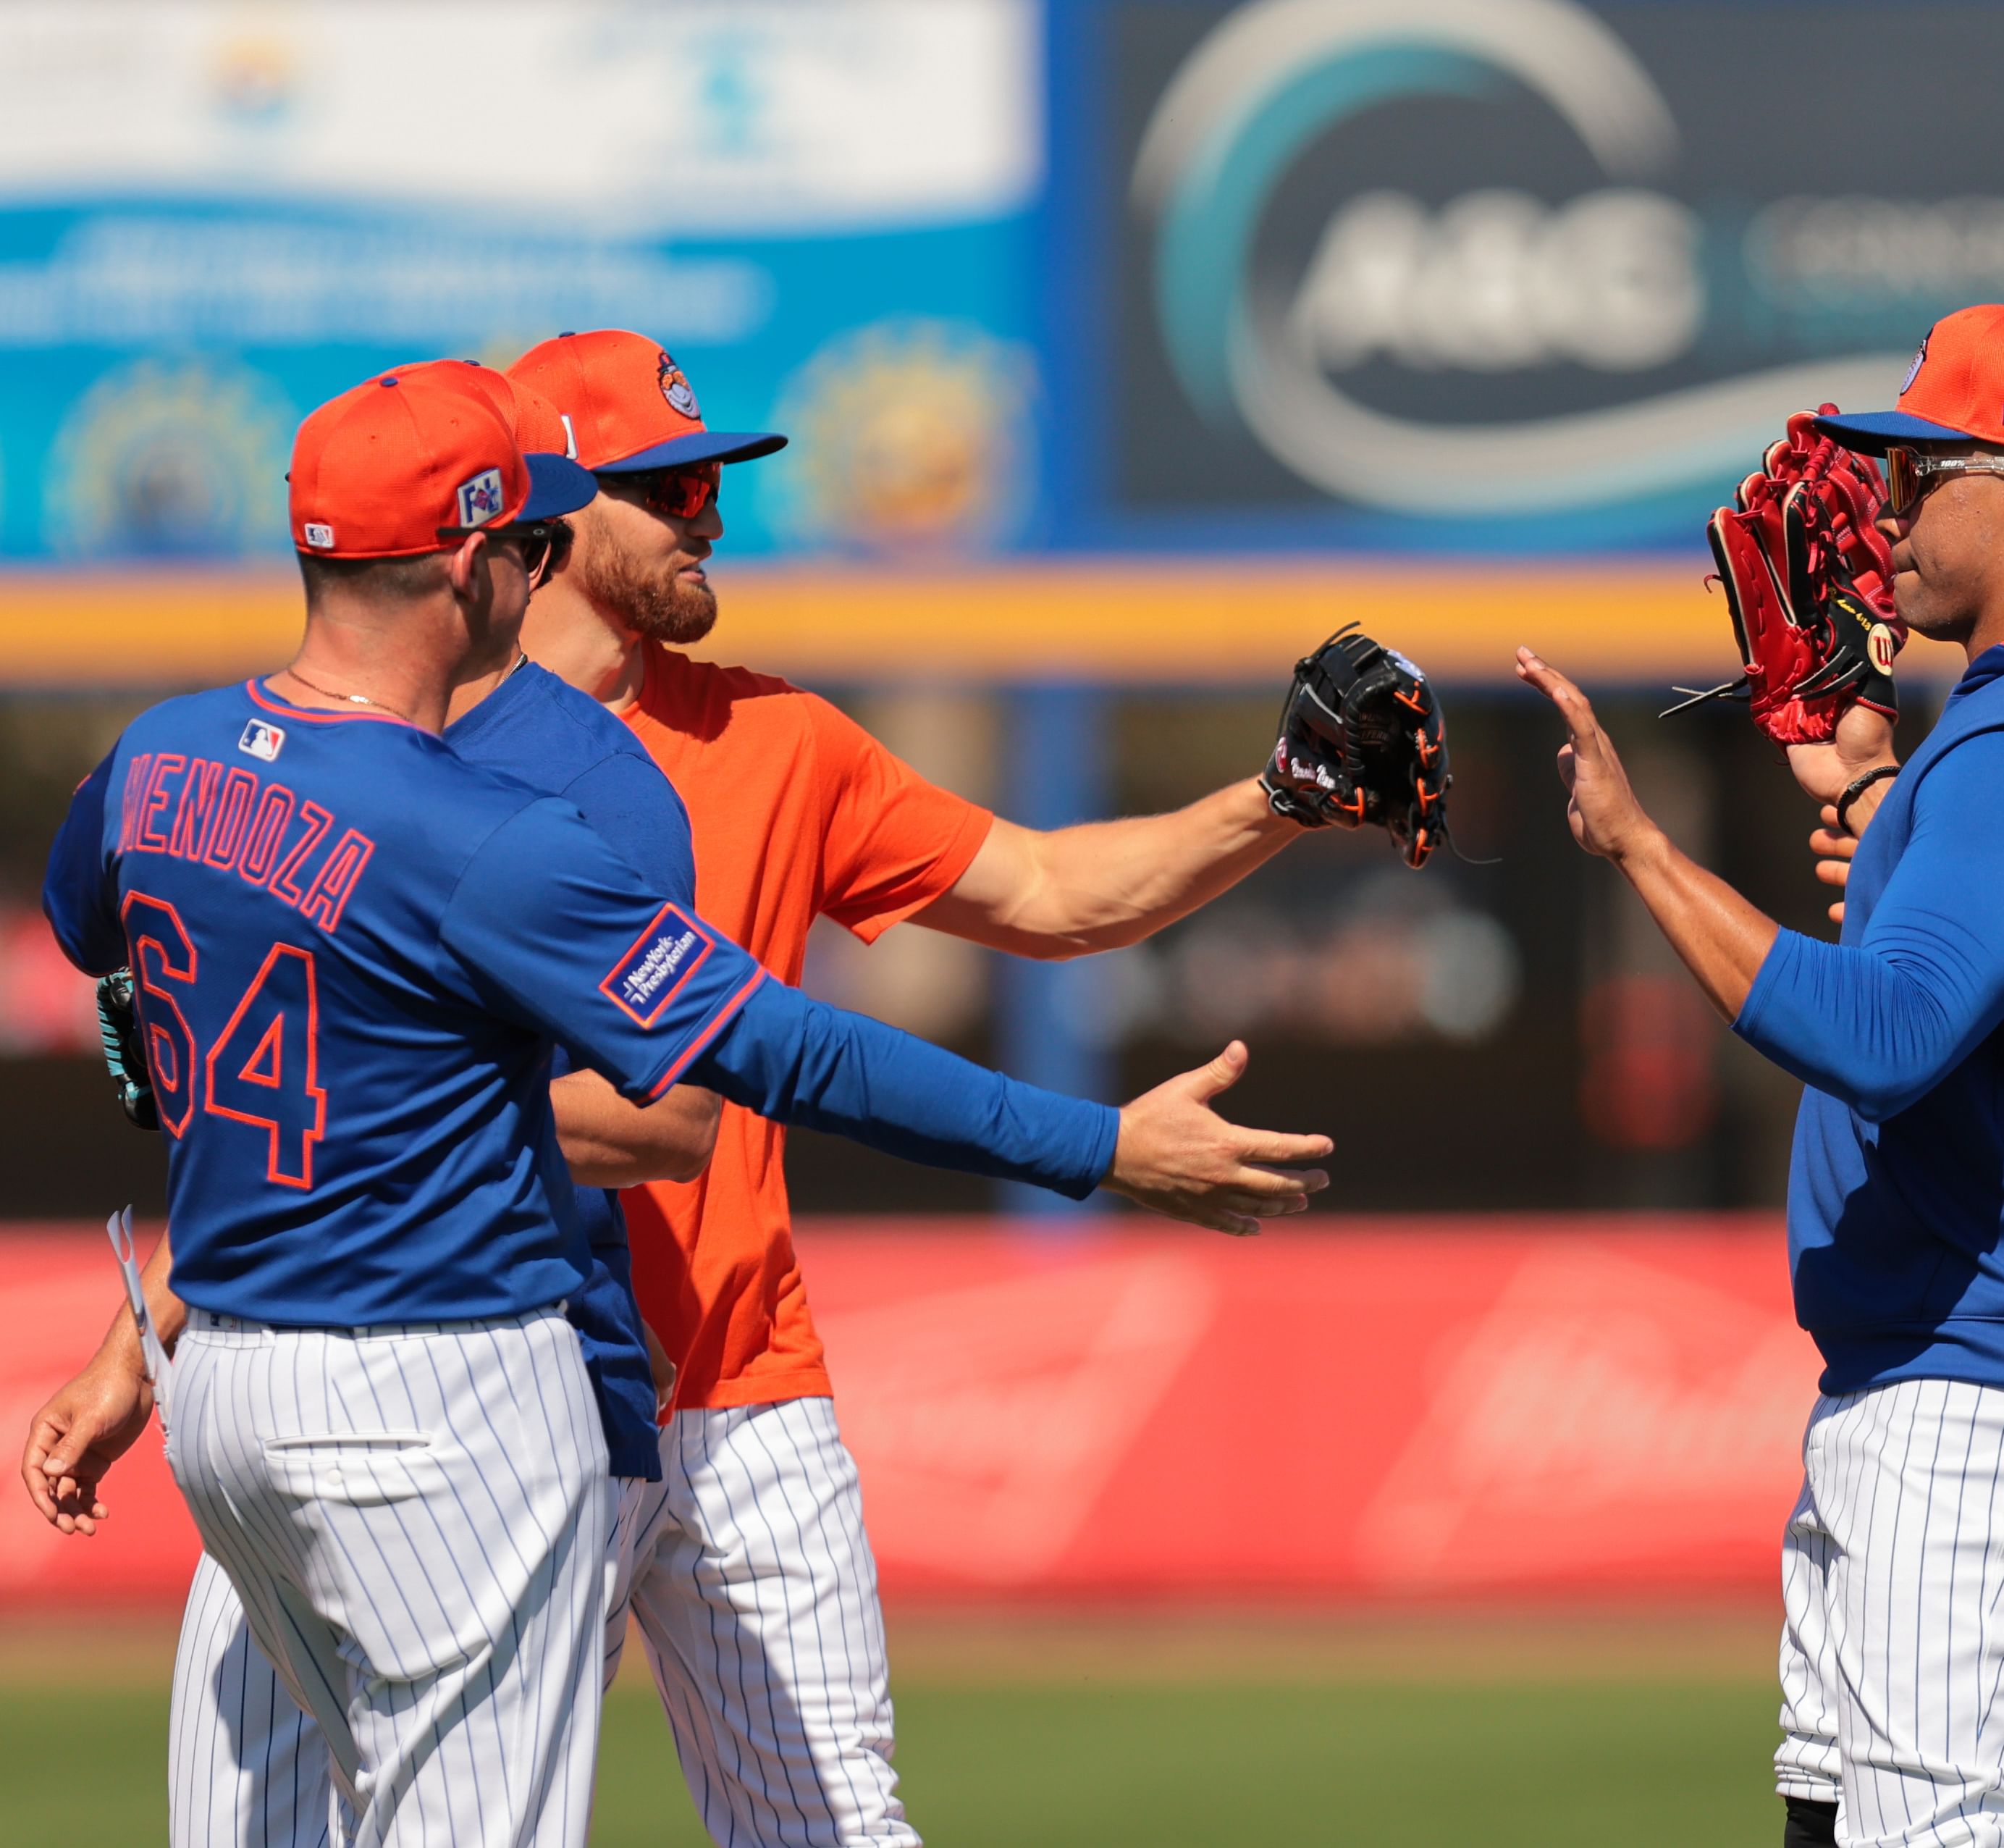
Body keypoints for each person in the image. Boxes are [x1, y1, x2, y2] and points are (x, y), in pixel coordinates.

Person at [38, 364, 1329, 1844]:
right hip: (449, 1381)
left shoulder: (159, 758)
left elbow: (119, 956)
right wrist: (1095, 1145)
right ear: (486, 557)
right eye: (544, 529)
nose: (701, 518)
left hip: (258, 1390)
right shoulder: (490, 830)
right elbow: (786, 1057)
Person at [502, 327, 1405, 1842]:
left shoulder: (772, 735)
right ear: (549, 510)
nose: (708, 507)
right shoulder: (419, 757)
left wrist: (1283, 795)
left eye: (710, 474)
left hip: (749, 1383)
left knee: (843, 1825)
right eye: (662, 485)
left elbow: (1051, 891)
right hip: (520, 1381)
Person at [1520, 302, 2004, 1847]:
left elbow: (1885, 1032)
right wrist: (1865, 777)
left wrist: (1641, 849)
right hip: (1969, 1358)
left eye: (1926, 471)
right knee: (1834, 1810)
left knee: (1935, 1829)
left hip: (2001, 1368)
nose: (1884, 508)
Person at [19, 365, 712, 1847]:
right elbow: (252, 1121)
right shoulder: (248, 756)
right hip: (266, 1373)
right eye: (661, 493)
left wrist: (408, 1098)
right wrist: (126, 1354)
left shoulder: (605, 792)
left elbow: (678, 1120)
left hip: (495, 1385)